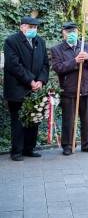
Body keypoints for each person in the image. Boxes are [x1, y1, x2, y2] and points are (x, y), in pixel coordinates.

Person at [3, 17, 49, 161]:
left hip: (36, 89)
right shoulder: (11, 41)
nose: (33, 30)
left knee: (34, 120)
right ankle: (16, 151)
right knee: (18, 121)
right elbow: (13, 65)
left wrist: (40, 80)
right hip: (18, 89)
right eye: (30, 27)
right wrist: (30, 80)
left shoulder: (40, 41)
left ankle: (29, 148)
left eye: (35, 28)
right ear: (22, 27)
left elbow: (45, 64)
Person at [51, 22, 88, 155]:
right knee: (68, 119)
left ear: (78, 33)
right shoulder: (57, 49)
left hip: (86, 88)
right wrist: (74, 61)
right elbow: (58, 68)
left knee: (87, 118)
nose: (71, 34)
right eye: (68, 32)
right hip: (69, 89)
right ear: (64, 34)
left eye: (73, 31)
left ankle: (87, 144)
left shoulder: (87, 47)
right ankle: (67, 145)